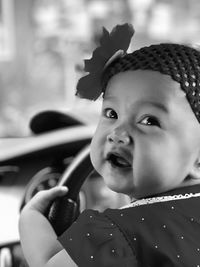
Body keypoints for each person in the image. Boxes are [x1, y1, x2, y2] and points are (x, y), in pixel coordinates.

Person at [19, 23, 200, 267]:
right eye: (112, 113)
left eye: (148, 120)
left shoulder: (118, 233)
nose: (118, 134)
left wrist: (30, 222)